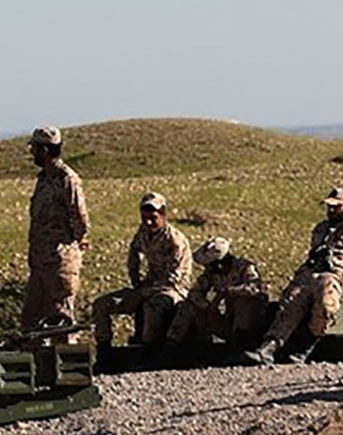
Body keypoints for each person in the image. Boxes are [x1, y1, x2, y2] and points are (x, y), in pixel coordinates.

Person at [249, 188, 343, 364]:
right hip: (311, 271)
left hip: (336, 273)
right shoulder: (321, 228)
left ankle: (304, 348)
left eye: (336, 207)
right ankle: (269, 347)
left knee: (325, 301)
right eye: (329, 207)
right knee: (291, 299)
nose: (330, 211)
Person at [92, 192, 192, 352]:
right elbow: (134, 252)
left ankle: (147, 350)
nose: (149, 222)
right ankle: (105, 349)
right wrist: (135, 277)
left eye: (153, 218)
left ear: (163, 214)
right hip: (148, 287)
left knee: (152, 307)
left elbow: (175, 277)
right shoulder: (143, 233)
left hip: (172, 290)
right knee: (102, 304)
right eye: (144, 218)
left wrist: (147, 290)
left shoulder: (175, 240)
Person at [22, 125, 90, 336]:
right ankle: (39, 367)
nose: (32, 153)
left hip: (60, 263)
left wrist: (72, 248)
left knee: (62, 321)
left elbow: (80, 219)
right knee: (31, 321)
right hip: (40, 262)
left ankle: (68, 367)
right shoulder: (43, 179)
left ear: (45, 150)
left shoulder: (66, 179)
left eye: (34, 148)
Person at [165, 237, 268, 349]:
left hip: (250, 322)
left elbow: (256, 288)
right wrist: (208, 307)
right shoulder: (212, 274)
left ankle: (242, 345)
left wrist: (229, 292)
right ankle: (171, 345)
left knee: (243, 301)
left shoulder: (245, 267)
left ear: (219, 264)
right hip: (227, 320)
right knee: (188, 306)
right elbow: (195, 293)